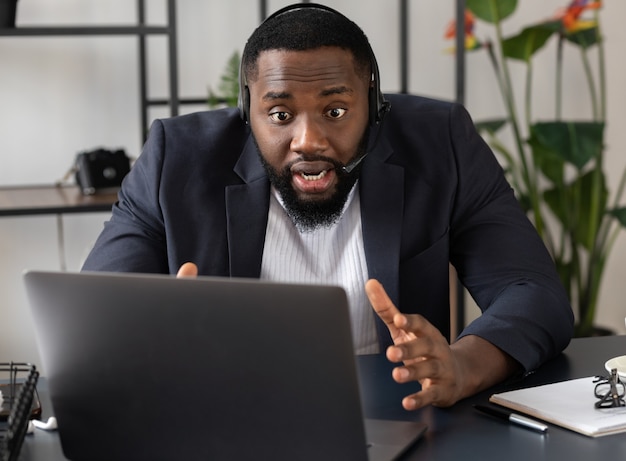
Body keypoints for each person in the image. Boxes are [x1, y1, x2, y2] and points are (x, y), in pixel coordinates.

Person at [82, 3, 574, 410]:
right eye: (279, 114)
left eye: (335, 111)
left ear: (373, 103)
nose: (308, 140)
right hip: (224, 418)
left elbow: (532, 293)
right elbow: (92, 318)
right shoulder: (176, 158)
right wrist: (149, 338)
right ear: (247, 110)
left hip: (397, 418)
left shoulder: (440, 141)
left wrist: (463, 364)